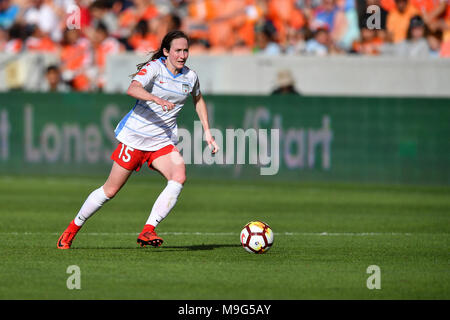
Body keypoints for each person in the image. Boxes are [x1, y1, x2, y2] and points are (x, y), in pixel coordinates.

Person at [57, 30, 219, 249]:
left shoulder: (190, 77)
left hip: (162, 141)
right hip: (135, 138)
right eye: (178, 50)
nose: (182, 55)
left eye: (185, 50)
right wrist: (154, 98)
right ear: (166, 51)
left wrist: (208, 132)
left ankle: (148, 230)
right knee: (110, 191)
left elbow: (198, 100)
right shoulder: (154, 68)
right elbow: (132, 88)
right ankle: (72, 229)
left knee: (179, 176)